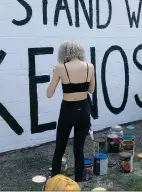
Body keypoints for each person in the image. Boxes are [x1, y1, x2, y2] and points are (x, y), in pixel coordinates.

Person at [46, 40, 95, 182]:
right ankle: (79, 180)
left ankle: (55, 181)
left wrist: (55, 74)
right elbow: (91, 90)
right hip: (84, 110)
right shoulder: (90, 66)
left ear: (63, 52)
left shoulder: (60, 68)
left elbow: (49, 94)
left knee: (60, 148)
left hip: (68, 110)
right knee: (79, 149)